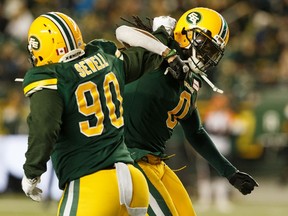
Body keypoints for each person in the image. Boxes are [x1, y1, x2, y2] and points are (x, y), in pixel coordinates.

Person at [20, 11, 188, 216]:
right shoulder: (105, 58)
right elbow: (145, 56)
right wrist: (162, 35)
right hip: (135, 182)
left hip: (92, 184)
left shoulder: (50, 78)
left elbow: (44, 128)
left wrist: (32, 172)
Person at [116, 7, 259, 215]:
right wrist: (166, 49)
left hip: (154, 161)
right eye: (204, 46)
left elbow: (196, 132)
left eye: (212, 52)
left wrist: (230, 173)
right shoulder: (158, 50)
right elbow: (123, 32)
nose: (206, 56)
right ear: (184, 34)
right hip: (126, 157)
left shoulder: (190, 81)